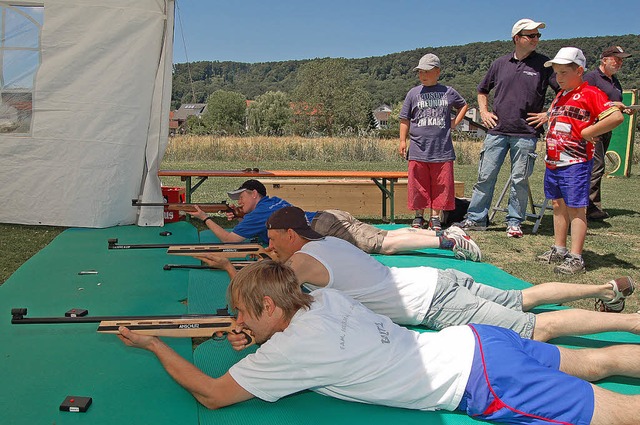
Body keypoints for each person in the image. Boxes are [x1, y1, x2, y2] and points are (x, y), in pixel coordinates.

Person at [117, 260, 640, 424]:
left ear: (270, 307)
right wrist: (251, 333)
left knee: (616, 411)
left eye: (242, 312)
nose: (237, 321)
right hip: (481, 342)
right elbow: (290, 332)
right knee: (598, 360)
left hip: (480, 379)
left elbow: (211, 394)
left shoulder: (287, 352)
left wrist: (156, 346)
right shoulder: (322, 300)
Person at [196, 206, 638, 342]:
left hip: (435, 303)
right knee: (524, 297)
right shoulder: (324, 243)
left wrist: (231, 266)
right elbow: (274, 271)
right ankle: (605, 287)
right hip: (436, 281)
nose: (269, 244)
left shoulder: (300, 263)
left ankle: (630, 322)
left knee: (535, 329)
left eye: (273, 237)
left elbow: (267, 298)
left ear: (289, 235)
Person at [188, 179, 482, 261]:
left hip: (323, 227)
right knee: (384, 235)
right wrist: (236, 214)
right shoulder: (268, 204)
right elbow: (250, 221)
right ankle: (446, 235)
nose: (238, 202)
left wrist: (205, 218)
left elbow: (229, 240)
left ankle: (446, 240)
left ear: (254, 194)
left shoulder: (258, 215)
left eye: (241, 197)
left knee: (384, 244)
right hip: (327, 217)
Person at [456, 18, 558, 238]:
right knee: (485, 176)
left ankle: (514, 222)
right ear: (516, 38)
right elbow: (482, 90)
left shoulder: (544, 64)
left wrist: (548, 114)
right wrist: (484, 112)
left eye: (537, 36)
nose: (536, 39)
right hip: (497, 131)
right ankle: (475, 219)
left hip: (526, 133)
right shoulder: (499, 63)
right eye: (531, 35)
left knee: (519, 179)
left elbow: (564, 90)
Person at [536, 47, 625, 275]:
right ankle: (559, 248)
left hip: (576, 162)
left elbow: (615, 117)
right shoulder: (560, 95)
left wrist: (589, 132)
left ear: (579, 71)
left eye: (565, 72)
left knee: (577, 209)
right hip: (555, 162)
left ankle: (576, 257)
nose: (559, 78)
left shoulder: (590, 93)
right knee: (557, 205)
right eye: (557, 73)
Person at [399, 53, 469, 231]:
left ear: (437, 72)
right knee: (417, 185)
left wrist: (455, 122)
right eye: (420, 72)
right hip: (418, 149)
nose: (423, 75)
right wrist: (402, 141)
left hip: (442, 149)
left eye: (427, 71)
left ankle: (436, 217)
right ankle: (418, 216)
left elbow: (464, 105)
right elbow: (404, 119)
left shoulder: (448, 91)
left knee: (441, 185)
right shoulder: (413, 93)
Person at [584, 46, 635, 220]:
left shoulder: (614, 80)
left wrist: (624, 109)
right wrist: (613, 105)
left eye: (621, 60)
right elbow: (585, 100)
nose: (620, 63)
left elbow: (613, 103)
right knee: (596, 167)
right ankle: (588, 207)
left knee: (597, 167)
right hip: (593, 128)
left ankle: (592, 205)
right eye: (616, 59)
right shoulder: (591, 78)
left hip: (606, 128)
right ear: (604, 60)